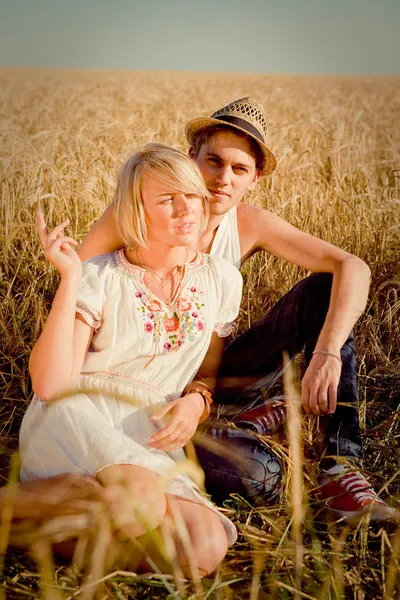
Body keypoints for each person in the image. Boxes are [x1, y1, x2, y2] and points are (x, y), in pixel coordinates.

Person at [75, 97, 397, 523]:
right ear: (191, 157)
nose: (223, 179)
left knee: (325, 290)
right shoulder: (136, 215)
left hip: (212, 369)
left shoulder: (248, 223)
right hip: (143, 384)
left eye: (240, 169)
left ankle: (340, 469)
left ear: (255, 178)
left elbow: (352, 267)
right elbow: (76, 282)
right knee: (261, 477)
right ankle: (249, 417)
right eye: (213, 161)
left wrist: (327, 351)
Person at [17, 142, 243, 575]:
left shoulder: (222, 281)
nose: (185, 208)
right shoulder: (101, 276)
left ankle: (44, 510)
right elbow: (51, 387)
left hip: (149, 427)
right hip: (79, 414)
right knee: (137, 503)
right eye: (166, 199)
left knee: (203, 548)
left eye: (191, 195)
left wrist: (197, 402)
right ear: (137, 210)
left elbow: (207, 371)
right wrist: (70, 279)